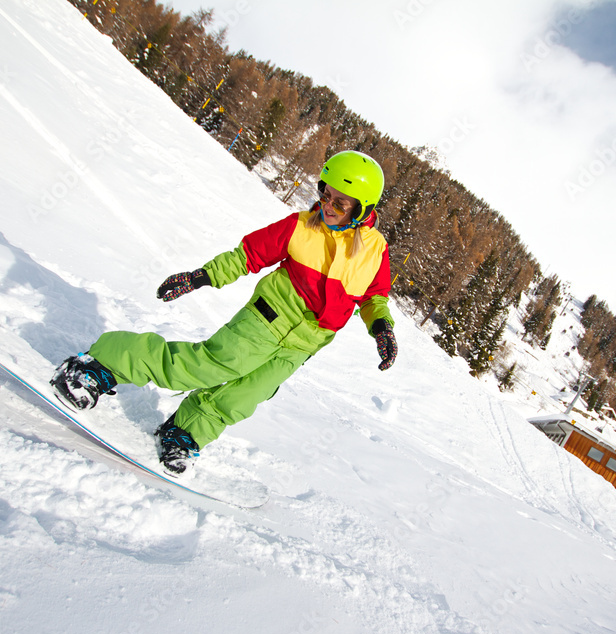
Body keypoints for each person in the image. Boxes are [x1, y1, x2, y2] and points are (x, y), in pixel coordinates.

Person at [51, 150, 398, 474]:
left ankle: (184, 431)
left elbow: (374, 297)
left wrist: (381, 328)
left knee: (244, 396)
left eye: (341, 201)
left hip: (303, 345)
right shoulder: (300, 226)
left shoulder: (374, 250)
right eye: (325, 194)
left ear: (363, 210)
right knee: (205, 366)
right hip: (267, 319)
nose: (329, 205)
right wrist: (200, 277)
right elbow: (246, 255)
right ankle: (99, 365)